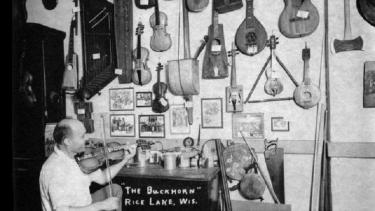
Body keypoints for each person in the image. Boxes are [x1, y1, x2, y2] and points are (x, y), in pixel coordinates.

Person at [39, 118, 136, 211]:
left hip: (85, 204)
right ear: (68, 141)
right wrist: (101, 206)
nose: (86, 139)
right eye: (82, 136)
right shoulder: (55, 169)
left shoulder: (77, 158)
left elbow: (103, 178)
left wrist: (125, 160)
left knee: (115, 189)